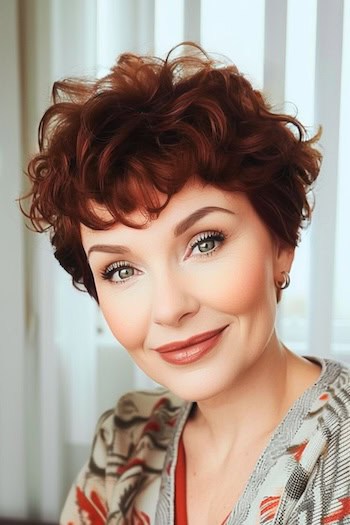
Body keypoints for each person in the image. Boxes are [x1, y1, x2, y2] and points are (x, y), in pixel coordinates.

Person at [21, 43, 350, 525]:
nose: (169, 308)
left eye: (206, 242)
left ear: (281, 244)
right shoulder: (125, 443)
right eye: (121, 270)